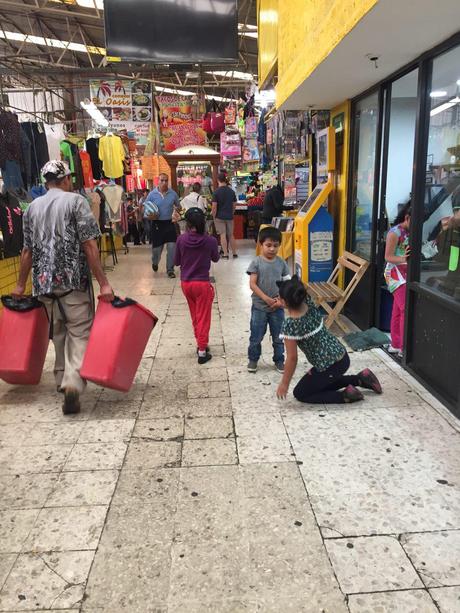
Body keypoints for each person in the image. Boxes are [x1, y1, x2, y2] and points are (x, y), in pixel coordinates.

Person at [12, 160, 114, 415]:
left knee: (57, 332)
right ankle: (71, 382)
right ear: (66, 179)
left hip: (44, 285)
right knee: (79, 332)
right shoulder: (76, 202)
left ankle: (60, 378)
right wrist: (103, 282)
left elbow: (27, 250)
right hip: (73, 282)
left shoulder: (32, 207)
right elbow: (89, 246)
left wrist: (20, 284)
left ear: (46, 181)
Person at [276, 276, 382, 403]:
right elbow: (298, 292)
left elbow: (292, 358)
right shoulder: (308, 303)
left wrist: (284, 384)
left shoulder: (291, 325)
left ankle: (345, 395)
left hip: (330, 366)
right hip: (341, 355)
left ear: (285, 302)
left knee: (301, 393)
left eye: (280, 298)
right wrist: (284, 302)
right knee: (319, 382)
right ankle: (361, 378)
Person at [174, 207, 219, 364]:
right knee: (204, 317)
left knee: (195, 315)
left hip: (186, 283)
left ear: (187, 223)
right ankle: (202, 351)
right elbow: (216, 258)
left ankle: (200, 343)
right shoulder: (210, 240)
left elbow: (176, 262)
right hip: (202, 284)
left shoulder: (181, 239)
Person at [247, 226, 291, 374]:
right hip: (259, 307)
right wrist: (266, 298)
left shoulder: (282, 263)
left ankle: (279, 360)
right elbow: (252, 284)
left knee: (279, 336)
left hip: (277, 308)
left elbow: (287, 283)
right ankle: (253, 359)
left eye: (275, 245)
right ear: (261, 245)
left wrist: (281, 300)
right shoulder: (256, 263)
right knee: (256, 336)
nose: (272, 249)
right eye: (268, 245)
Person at [384, 202, 411, 357]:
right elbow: (388, 257)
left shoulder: (409, 231)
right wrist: (404, 259)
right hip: (394, 274)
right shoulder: (394, 233)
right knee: (404, 309)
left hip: (404, 272)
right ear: (407, 217)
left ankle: (395, 343)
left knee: (397, 310)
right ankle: (402, 347)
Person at [144, 173, 180, 278]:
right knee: (157, 251)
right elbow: (145, 209)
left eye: (166, 180)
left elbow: (179, 206)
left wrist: (177, 210)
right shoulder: (151, 194)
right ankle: (155, 262)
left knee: (172, 247)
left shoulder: (173, 194)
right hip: (157, 225)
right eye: (162, 180)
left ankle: (170, 269)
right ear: (158, 181)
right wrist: (149, 215)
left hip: (169, 224)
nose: (164, 182)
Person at [212, 172, 238, 259]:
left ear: (218, 180)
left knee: (222, 235)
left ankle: (226, 254)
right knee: (231, 235)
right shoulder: (231, 191)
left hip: (219, 217)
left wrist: (214, 216)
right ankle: (234, 253)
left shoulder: (216, 192)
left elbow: (214, 206)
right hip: (229, 216)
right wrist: (232, 212)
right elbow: (234, 205)